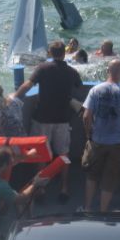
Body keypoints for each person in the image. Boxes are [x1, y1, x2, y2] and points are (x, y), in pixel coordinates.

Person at [16, 40, 83, 203]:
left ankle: (40, 188)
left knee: (41, 155)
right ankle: (64, 188)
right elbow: (79, 86)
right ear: (64, 53)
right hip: (62, 119)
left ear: (50, 53)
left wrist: (15, 97)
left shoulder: (42, 68)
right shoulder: (71, 71)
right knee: (63, 154)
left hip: (43, 118)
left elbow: (27, 85)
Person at [81, 59, 120, 211]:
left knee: (92, 175)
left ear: (107, 71)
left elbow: (86, 116)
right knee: (110, 178)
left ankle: (87, 209)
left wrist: (89, 134)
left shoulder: (95, 90)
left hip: (97, 140)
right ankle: (103, 211)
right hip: (117, 142)